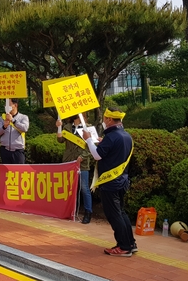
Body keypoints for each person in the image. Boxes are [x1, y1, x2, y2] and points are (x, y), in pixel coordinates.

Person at [83, 107, 136, 257]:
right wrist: (102, 141)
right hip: (122, 180)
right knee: (121, 212)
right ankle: (130, 243)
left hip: (111, 183)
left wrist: (88, 139)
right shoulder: (125, 136)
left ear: (110, 120)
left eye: (105, 118)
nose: (103, 121)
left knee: (114, 215)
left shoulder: (112, 137)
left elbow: (97, 155)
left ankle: (124, 246)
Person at [56, 114, 93, 224]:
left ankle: (88, 212)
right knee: (69, 188)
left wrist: (82, 157)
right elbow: (60, 140)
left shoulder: (88, 128)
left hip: (82, 163)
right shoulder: (67, 127)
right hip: (69, 162)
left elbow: (91, 146)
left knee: (84, 188)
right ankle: (68, 211)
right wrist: (58, 127)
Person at [0, 98, 29, 164]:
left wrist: (13, 120)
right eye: (5, 104)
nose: (6, 106)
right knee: (6, 173)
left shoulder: (23, 117)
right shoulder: (2, 118)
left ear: (15, 105)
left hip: (18, 151)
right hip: (5, 150)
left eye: (9, 104)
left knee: (18, 173)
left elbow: (25, 128)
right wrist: (4, 127)